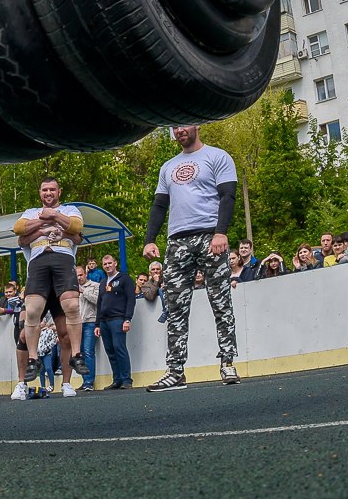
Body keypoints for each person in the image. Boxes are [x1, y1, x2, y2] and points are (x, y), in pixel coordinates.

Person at [143, 124, 240, 392]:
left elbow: (227, 195)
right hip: (177, 240)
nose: (179, 131)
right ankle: (175, 371)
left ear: (196, 125)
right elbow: (160, 205)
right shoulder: (168, 167)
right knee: (174, 308)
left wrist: (221, 232)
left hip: (210, 237)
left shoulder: (218, 156)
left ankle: (227, 362)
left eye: (184, 125)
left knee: (220, 302)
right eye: (174, 127)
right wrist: (150, 239)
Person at [10, 178, 91, 386]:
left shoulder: (70, 209)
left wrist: (54, 215)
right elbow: (19, 229)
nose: (48, 193)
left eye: (52, 190)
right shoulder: (31, 212)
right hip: (39, 261)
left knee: (72, 305)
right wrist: (44, 226)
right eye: (45, 190)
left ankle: (77, 355)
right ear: (40, 193)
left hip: (63, 259)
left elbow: (77, 227)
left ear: (59, 192)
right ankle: (33, 359)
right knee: (32, 311)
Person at [95, 254, 135, 389]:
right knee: (110, 350)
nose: (107, 266)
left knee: (119, 348)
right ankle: (117, 379)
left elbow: (131, 299)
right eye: (105, 264)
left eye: (110, 263)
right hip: (104, 322)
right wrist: (97, 324)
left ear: (115, 263)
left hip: (118, 319)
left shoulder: (125, 279)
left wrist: (127, 319)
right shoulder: (102, 283)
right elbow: (99, 304)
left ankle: (126, 380)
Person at [76, 265, 99, 391]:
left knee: (89, 351)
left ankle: (89, 382)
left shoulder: (95, 285)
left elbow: (98, 300)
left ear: (85, 274)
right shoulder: (73, 289)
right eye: (76, 276)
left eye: (80, 275)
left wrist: (83, 292)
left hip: (91, 322)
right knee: (81, 353)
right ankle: (84, 381)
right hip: (77, 324)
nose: (78, 278)